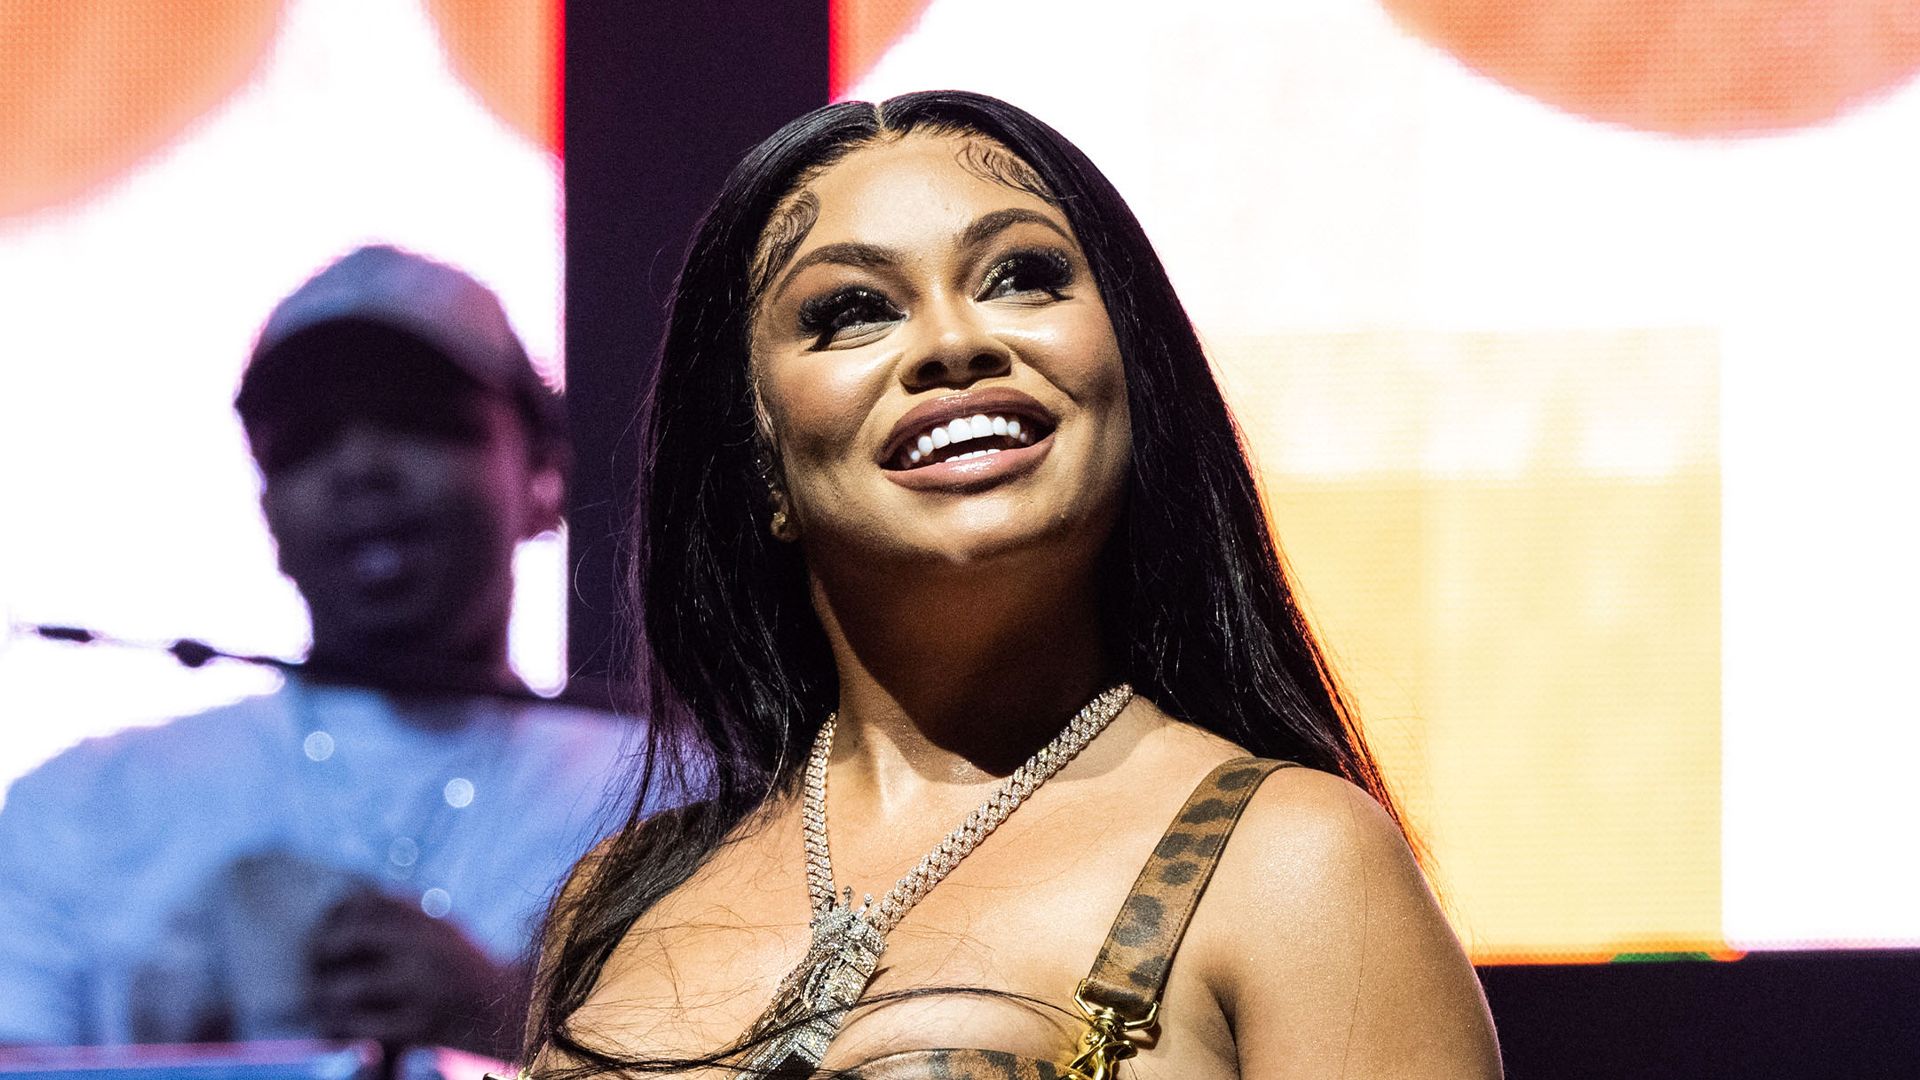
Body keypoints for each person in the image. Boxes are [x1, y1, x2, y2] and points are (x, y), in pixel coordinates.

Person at [524, 91, 1502, 1078]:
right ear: (759, 460)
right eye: (852, 310)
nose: (954, 343)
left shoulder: (1293, 861)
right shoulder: (618, 902)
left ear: (1134, 376)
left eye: (1024, 277)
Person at [0, 246, 634, 1056]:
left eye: (418, 419)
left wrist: (513, 1020)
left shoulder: (675, 795)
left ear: (542, 472)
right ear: (268, 508)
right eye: (304, 440)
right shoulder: (83, 806)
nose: (361, 467)